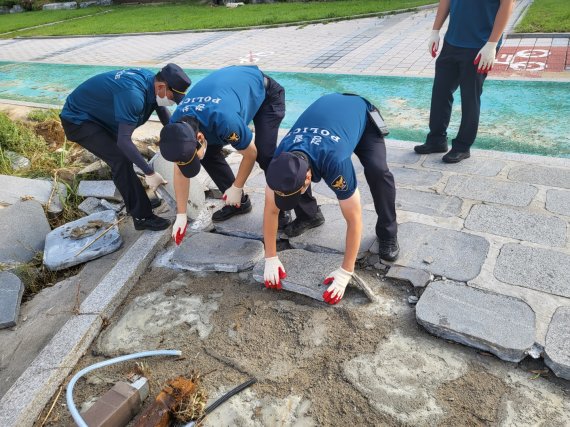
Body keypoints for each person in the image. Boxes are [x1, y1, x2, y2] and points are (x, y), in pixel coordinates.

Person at [262, 93, 399, 305]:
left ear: (309, 178)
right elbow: (270, 210)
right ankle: (310, 216)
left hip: (361, 115)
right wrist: (270, 257)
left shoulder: (334, 163)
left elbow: (354, 219)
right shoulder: (279, 161)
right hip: (329, 115)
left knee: (377, 171)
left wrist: (346, 271)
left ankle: (388, 232)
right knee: (290, 184)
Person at [158, 65, 287, 244]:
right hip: (230, 92)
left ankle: (287, 206)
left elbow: (250, 154)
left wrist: (237, 186)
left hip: (265, 93)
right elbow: (180, 170)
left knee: (265, 154)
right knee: (208, 155)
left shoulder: (224, 120)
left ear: (200, 137)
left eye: (193, 157)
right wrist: (181, 214)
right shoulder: (176, 125)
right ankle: (238, 203)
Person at [60, 64, 191, 230]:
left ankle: (141, 198)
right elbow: (124, 141)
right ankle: (142, 216)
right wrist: (149, 173)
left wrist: (180, 139)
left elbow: (163, 112)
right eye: (172, 97)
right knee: (120, 159)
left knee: (126, 155)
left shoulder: (154, 82)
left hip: (101, 115)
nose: (172, 102)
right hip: (79, 120)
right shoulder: (133, 96)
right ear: (161, 87)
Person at [414, 0, 514, 163]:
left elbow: (508, 5)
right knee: (440, 91)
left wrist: (492, 44)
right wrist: (435, 30)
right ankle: (437, 139)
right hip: (452, 41)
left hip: (480, 44)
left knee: (470, 96)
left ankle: (462, 146)